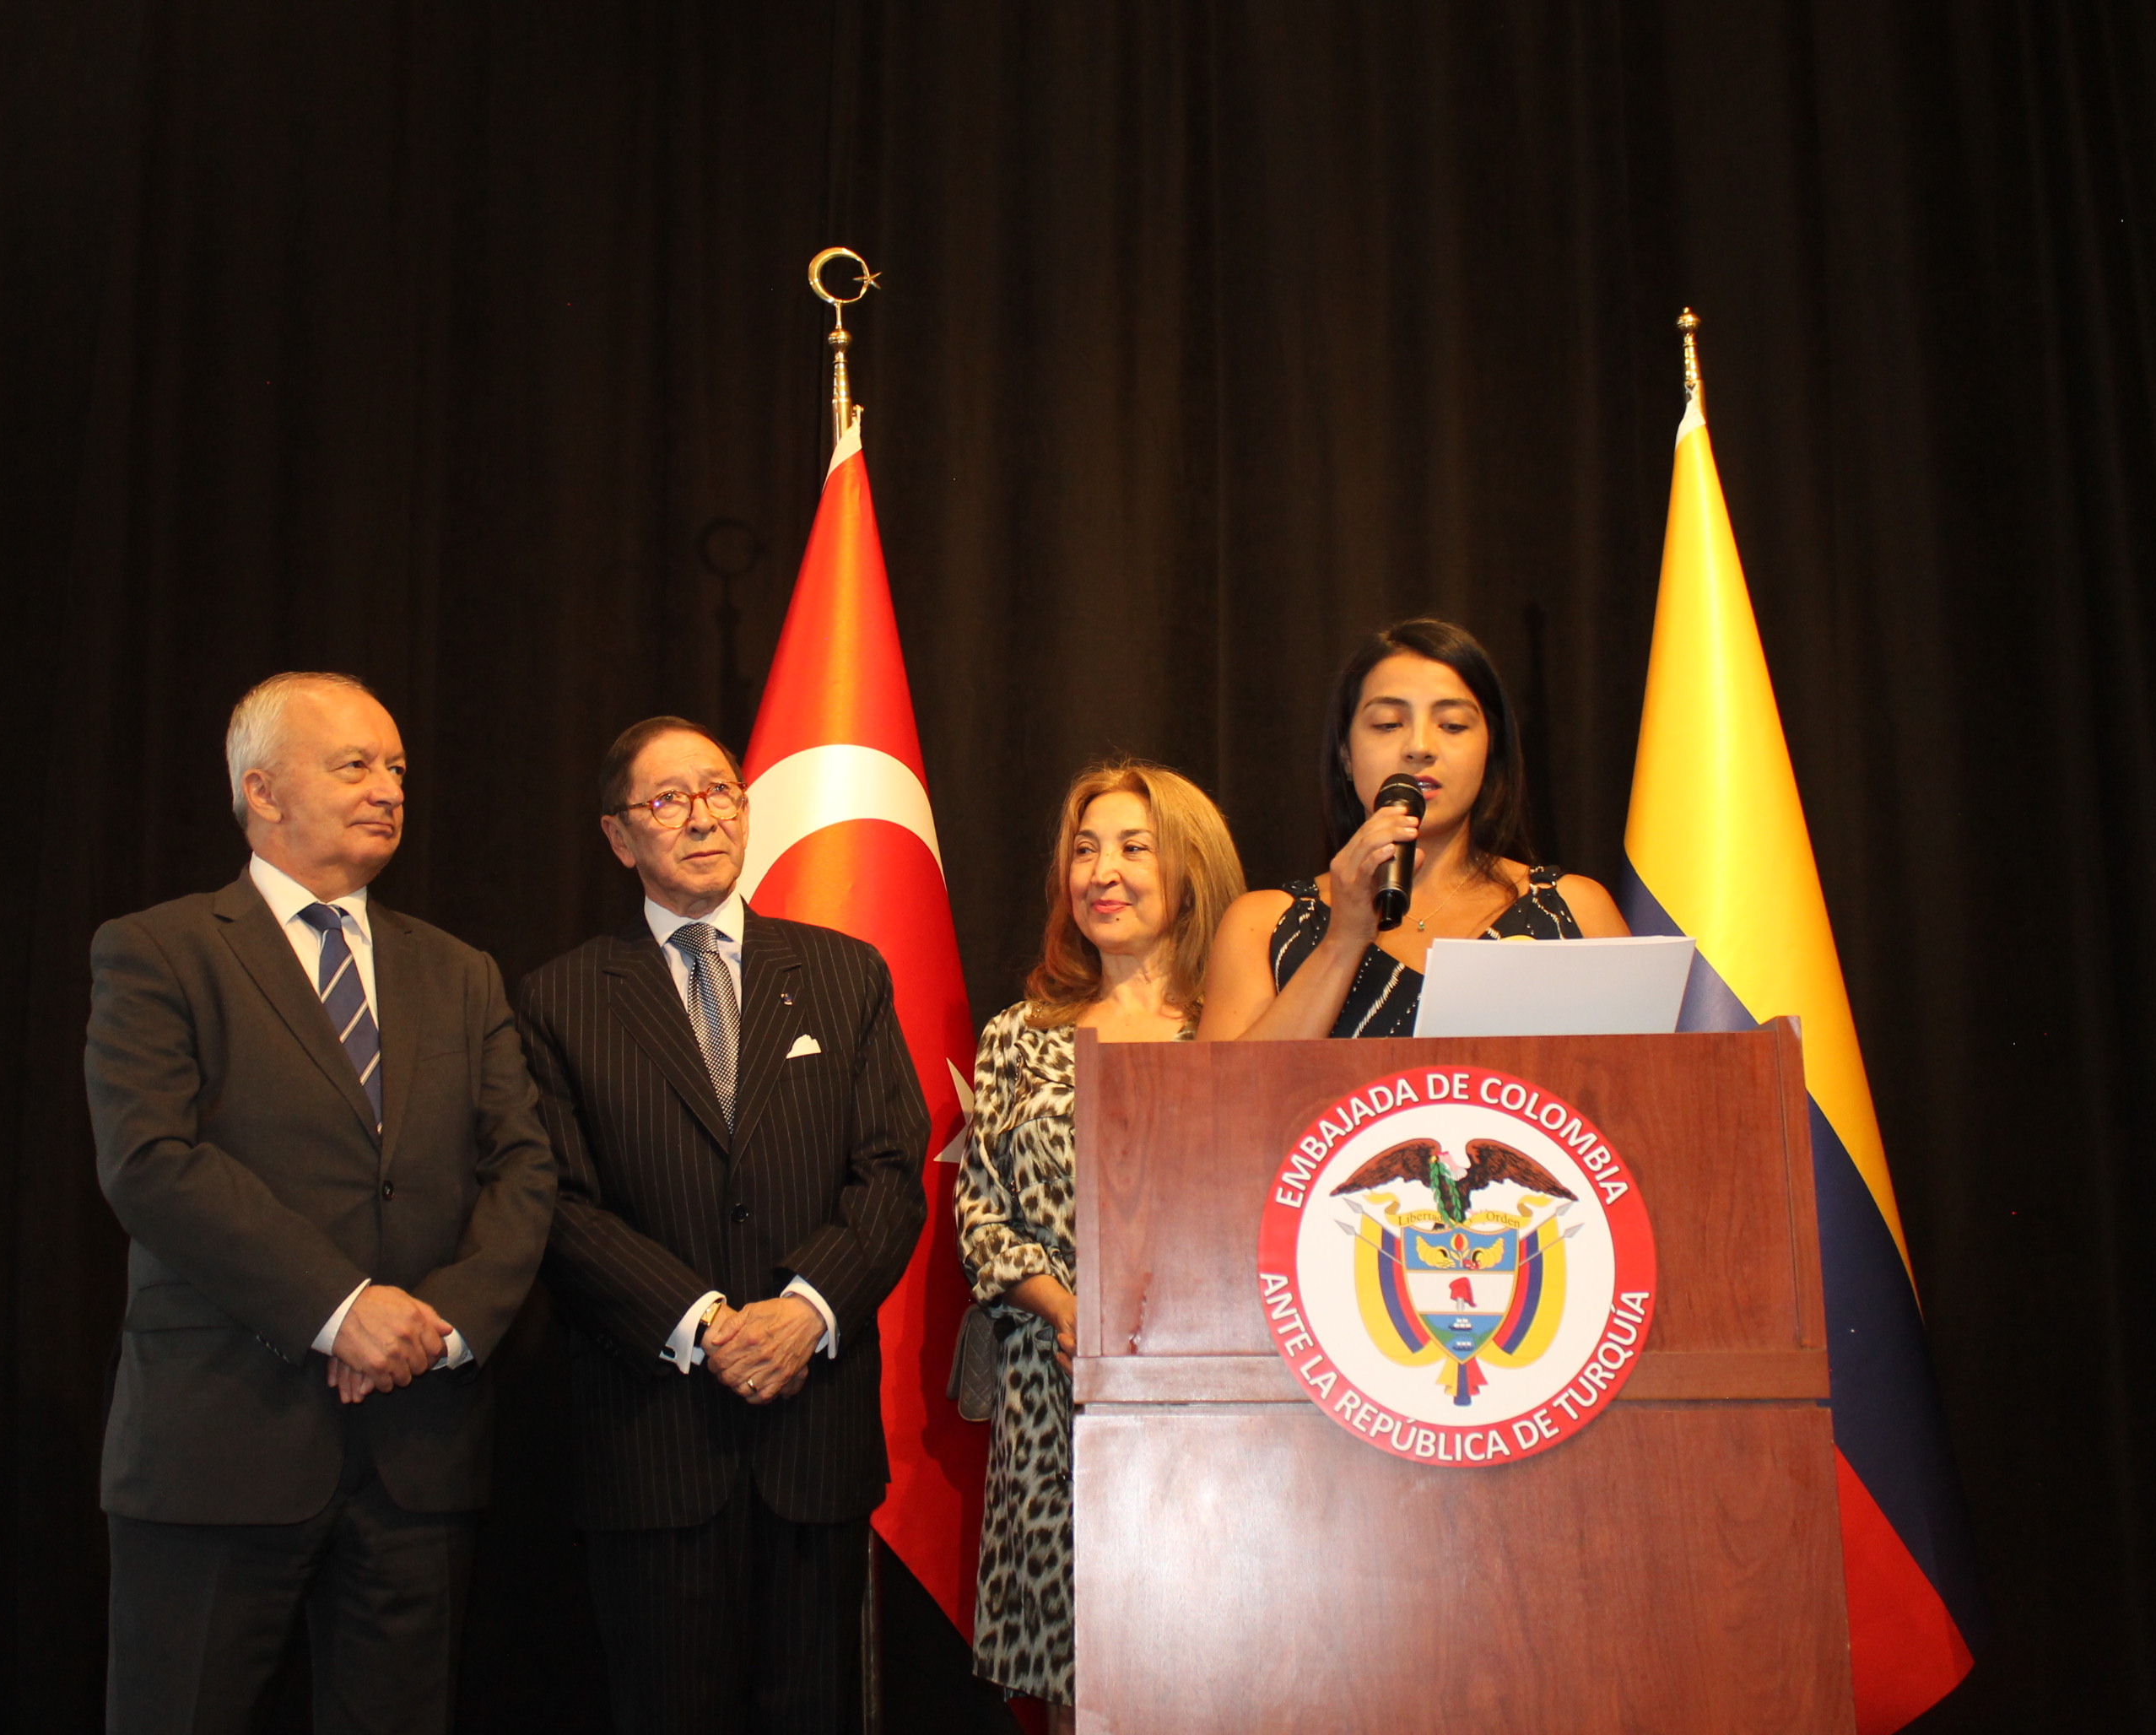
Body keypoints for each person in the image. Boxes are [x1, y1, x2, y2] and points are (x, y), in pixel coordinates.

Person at [85, 671, 557, 1735]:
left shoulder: (460, 971)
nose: (389, 788)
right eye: (355, 765)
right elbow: (151, 1163)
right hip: (220, 1440)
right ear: (262, 791)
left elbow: (522, 1169)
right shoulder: (159, 950)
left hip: (417, 1450)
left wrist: (437, 1325)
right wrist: (344, 1309)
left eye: (396, 768)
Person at [514, 716, 931, 1735]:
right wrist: (703, 1322)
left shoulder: (845, 972)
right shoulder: (558, 997)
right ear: (619, 837)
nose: (703, 815)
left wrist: (802, 1309)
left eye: (720, 791)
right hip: (652, 1440)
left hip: (811, 1432)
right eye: (669, 800)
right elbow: (558, 1203)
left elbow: (889, 1172)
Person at [956, 760, 1246, 1727]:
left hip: (1214, 1402)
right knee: (1084, 1689)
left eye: (1132, 846)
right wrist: (1073, 1315)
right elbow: (981, 1217)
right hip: (1055, 1393)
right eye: (1084, 850)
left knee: (1216, 1665)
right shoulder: (1019, 1034)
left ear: (1191, 872)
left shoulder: (1240, 1028)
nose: (1101, 871)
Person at [1202, 619, 1629, 1042]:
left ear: (1491, 749)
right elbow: (1225, 1099)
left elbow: (1649, 1087)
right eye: (1388, 724)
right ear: (1346, 754)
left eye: (1453, 725)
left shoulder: (1572, 911)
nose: (1420, 746)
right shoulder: (1266, 925)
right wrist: (1344, 939)